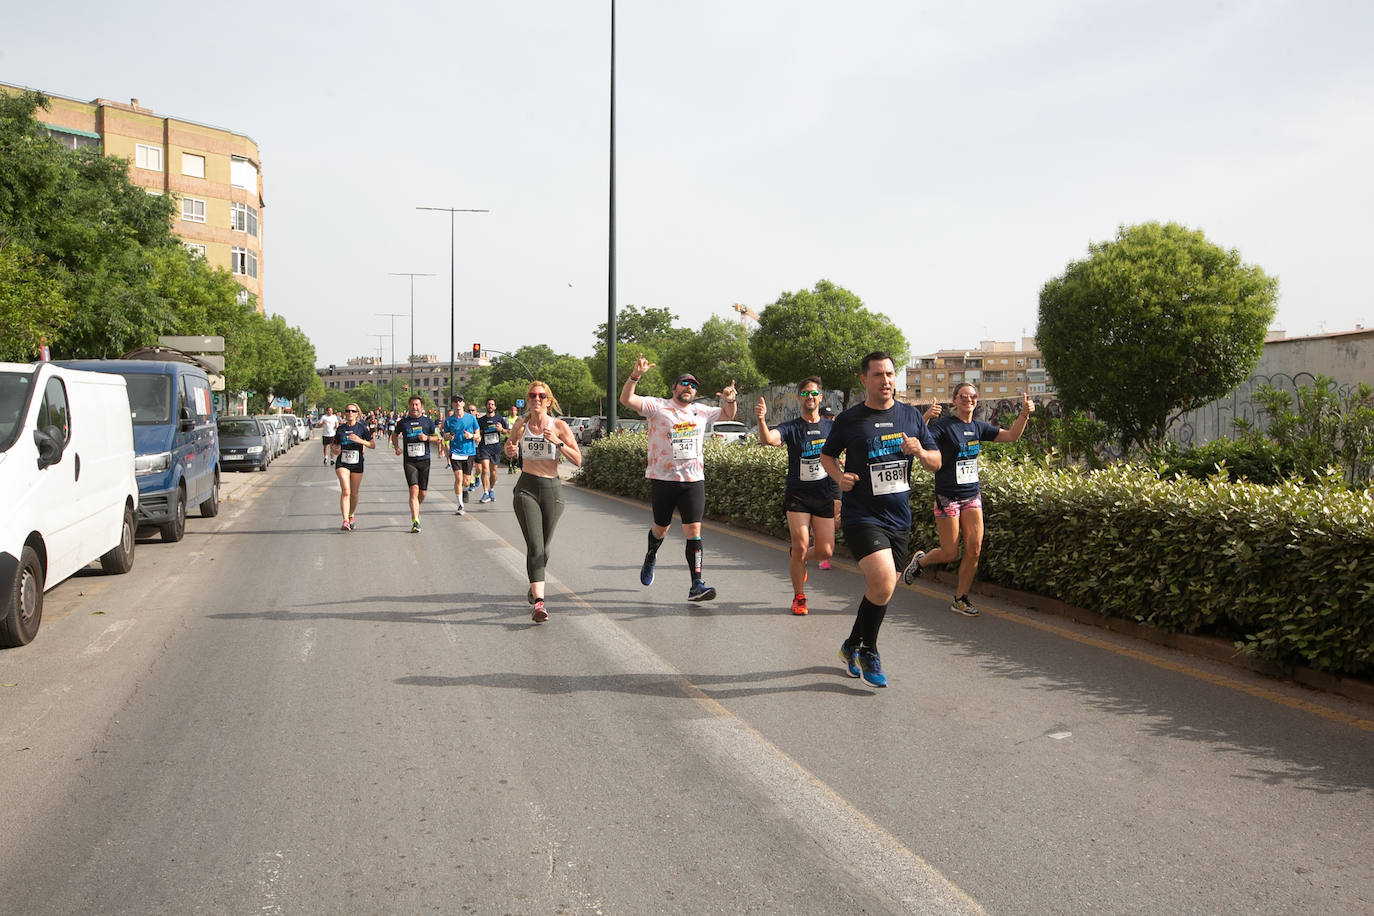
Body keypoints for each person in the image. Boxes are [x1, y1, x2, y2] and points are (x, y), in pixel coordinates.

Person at [819, 351, 940, 688]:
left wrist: (919, 451)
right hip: (861, 515)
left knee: (882, 587)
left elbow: (936, 462)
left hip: (898, 517)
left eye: (889, 374)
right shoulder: (849, 420)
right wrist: (839, 478)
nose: (886, 381)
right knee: (884, 581)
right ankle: (869, 650)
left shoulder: (911, 417)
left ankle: (850, 645)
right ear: (864, 380)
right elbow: (827, 456)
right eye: (878, 375)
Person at [902, 384, 1034, 616]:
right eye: (963, 396)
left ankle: (960, 598)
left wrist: (1023, 414)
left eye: (972, 396)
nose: (968, 400)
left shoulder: (978, 428)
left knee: (974, 548)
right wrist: (926, 417)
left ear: (977, 400)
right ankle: (921, 561)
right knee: (950, 552)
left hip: (972, 495)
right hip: (947, 496)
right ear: (954, 401)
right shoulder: (944, 427)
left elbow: (1011, 436)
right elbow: (918, 441)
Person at [619, 355, 738, 602]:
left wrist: (730, 398)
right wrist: (635, 376)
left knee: (693, 530)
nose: (688, 387)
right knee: (661, 528)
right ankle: (651, 556)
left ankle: (697, 585)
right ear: (674, 388)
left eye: (693, 385)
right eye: (684, 383)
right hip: (663, 479)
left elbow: (728, 413)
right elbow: (626, 399)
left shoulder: (700, 411)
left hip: (693, 481)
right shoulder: (657, 406)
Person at [754, 377, 836, 615]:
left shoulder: (832, 428)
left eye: (813, 394)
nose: (809, 398)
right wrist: (761, 419)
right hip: (798, 497)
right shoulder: (791, 427)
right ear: (799, 398)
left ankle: (798, 560)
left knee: (826, 551)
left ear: (820, 397)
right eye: (804, 395)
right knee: (800, 546)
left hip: (823, 495)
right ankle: (799, 596)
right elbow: (768, 440)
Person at [503, 380, 582, 623]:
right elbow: (509, 448)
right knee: (536, 546)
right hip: (526, 488)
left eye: (541, 395)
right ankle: (539, 603)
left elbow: (578, 460)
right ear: (527, 399)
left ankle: (534, 582)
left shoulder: (558, 426)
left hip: (552, 491)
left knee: (544, 548)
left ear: (548, 400)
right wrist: (510, 451)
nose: (537, 399)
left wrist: (557, 443)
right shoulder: (521, 423)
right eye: (532, 395)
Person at [390, 395, 437, 532]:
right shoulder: (403, 423)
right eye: (412, 405)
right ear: (409, 406)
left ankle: (415, 506)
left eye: (417, 405)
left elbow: (438, 439)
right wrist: (397, 447)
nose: (414, 407)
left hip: (425, 461)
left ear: (422, 407)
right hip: (409, 461)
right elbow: (394, 435)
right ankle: (415, 520)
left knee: (422, 493)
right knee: (413, 490)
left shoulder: (428, 422)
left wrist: (427, 438)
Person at [334, 403, 376, 530]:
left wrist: (360, 441)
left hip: (357, 463)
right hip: (343, 462)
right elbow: (334, 444)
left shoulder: (362, 428)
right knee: (346, 491)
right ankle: (345, 520)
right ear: (345, 413)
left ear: (357, 413)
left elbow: (372, 445)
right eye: (347, 411)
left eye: (352, 411)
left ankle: (351, 514)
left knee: (354, 493)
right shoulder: (341, 429)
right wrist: (335, 449)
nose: (350, 413)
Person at [441, 395, 480, 516]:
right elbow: (445, 435)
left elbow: (478, 435)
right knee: (458, 477)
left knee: (466, 481)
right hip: (455, 452)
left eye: (460, 401)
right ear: (452, 404)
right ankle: (460, 504)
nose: (457, 403)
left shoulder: (471, 418)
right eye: (455, 401)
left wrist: (471, 436)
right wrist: (448, 436)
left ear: (463, 403)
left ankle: (464, 490)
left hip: (469, 452)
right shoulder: (448, 420)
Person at [475, 397, 509, 504]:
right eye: (488, 404)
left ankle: (491, 489)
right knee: (485, 469)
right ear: (486, 406)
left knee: (493, 472)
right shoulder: (481, 420)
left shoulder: (499, 419)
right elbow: (478, 433)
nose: (490, 406)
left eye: (492, 404)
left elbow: (507, 432)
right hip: (484, 448)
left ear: (495, 407)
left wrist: (501, 429)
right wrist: (477, 437)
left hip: (495, 448)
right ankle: (485, 492)